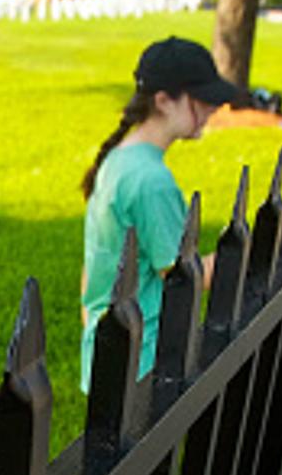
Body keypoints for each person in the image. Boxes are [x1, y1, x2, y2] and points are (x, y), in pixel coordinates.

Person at [78, 36, 242, 391]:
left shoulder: (120, 158)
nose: (213, 109)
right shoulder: (151, 181)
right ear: (164, 101)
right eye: (202, 99)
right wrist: (247, 246)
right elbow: (182, 275)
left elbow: (92, 266)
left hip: (108, 347)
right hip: (143, 359)